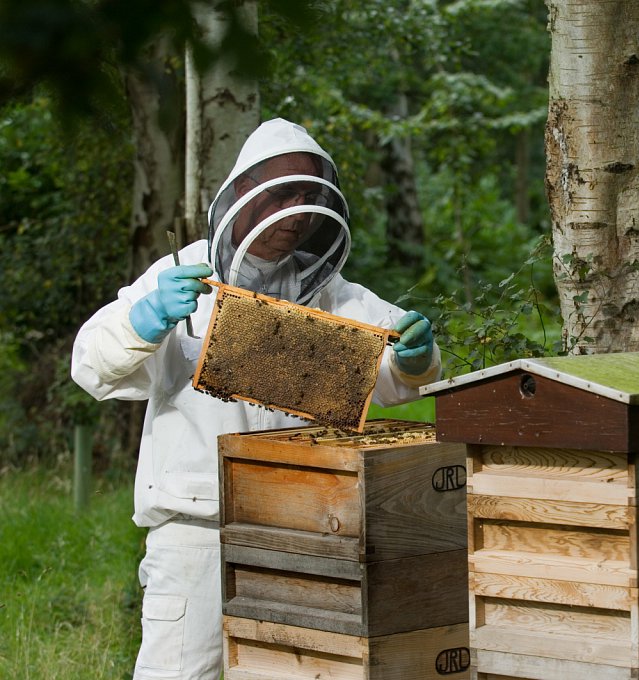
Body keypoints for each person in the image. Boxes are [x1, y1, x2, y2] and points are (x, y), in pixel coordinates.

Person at [71, 118, 441, 680]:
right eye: (283, 193)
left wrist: (417, 358)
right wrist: (144, 322)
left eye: (308, 197)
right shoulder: (179, 274)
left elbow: (392, 370)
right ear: (242, 191)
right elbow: (90, 364)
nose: (296, 212)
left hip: (300, 527)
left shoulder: (331, 294)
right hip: (197, 526)